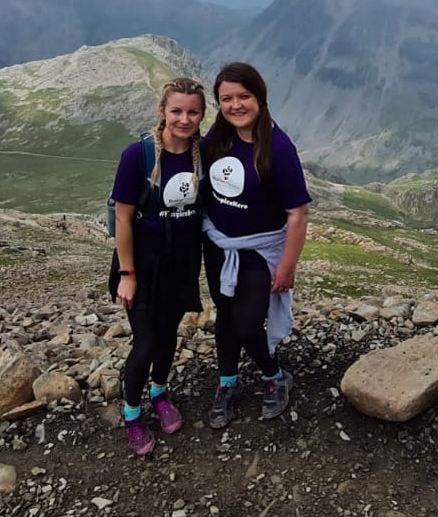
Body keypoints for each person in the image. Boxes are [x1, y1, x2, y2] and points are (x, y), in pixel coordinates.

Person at [200, 62, 312, 428]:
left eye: (243, 96)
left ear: (259, 98)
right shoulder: (217, 139)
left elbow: (298, 212)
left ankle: (274, 375)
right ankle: (227, 382)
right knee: (226, 316)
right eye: (226, 99)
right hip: (218, 245)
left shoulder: (278, 148)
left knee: (248, 324)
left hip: (259, 250)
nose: (235, 105)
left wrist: (288, 267)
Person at [109, 77, 208, 456]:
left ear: (202, 114)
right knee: (146, 341)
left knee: (167, 336)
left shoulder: (204, 154)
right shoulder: (138, 155)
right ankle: (133, 414)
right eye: (176, 111)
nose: (184, 119)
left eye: (193, 111)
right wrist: (127, 275)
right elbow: (123, 219)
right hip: (143, 266)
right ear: (162, 112)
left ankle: (160, 393)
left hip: (181, 263)